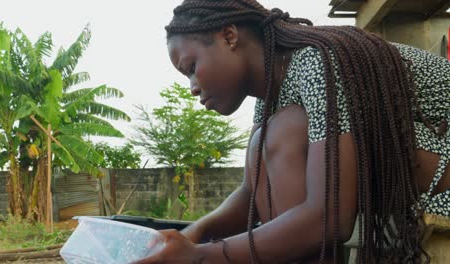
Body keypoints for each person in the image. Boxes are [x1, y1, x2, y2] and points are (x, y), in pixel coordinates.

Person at [135, 0, 449, 263]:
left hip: (444, 179)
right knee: (269, 138)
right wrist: (195, 232)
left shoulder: (318, 61)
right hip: (420, 172)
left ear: (229, 36)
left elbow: (331, 216)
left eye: (191, 68)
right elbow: (250, 192)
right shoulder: (271, 91)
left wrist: (201, 256)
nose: (192, 88)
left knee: (286, 131)